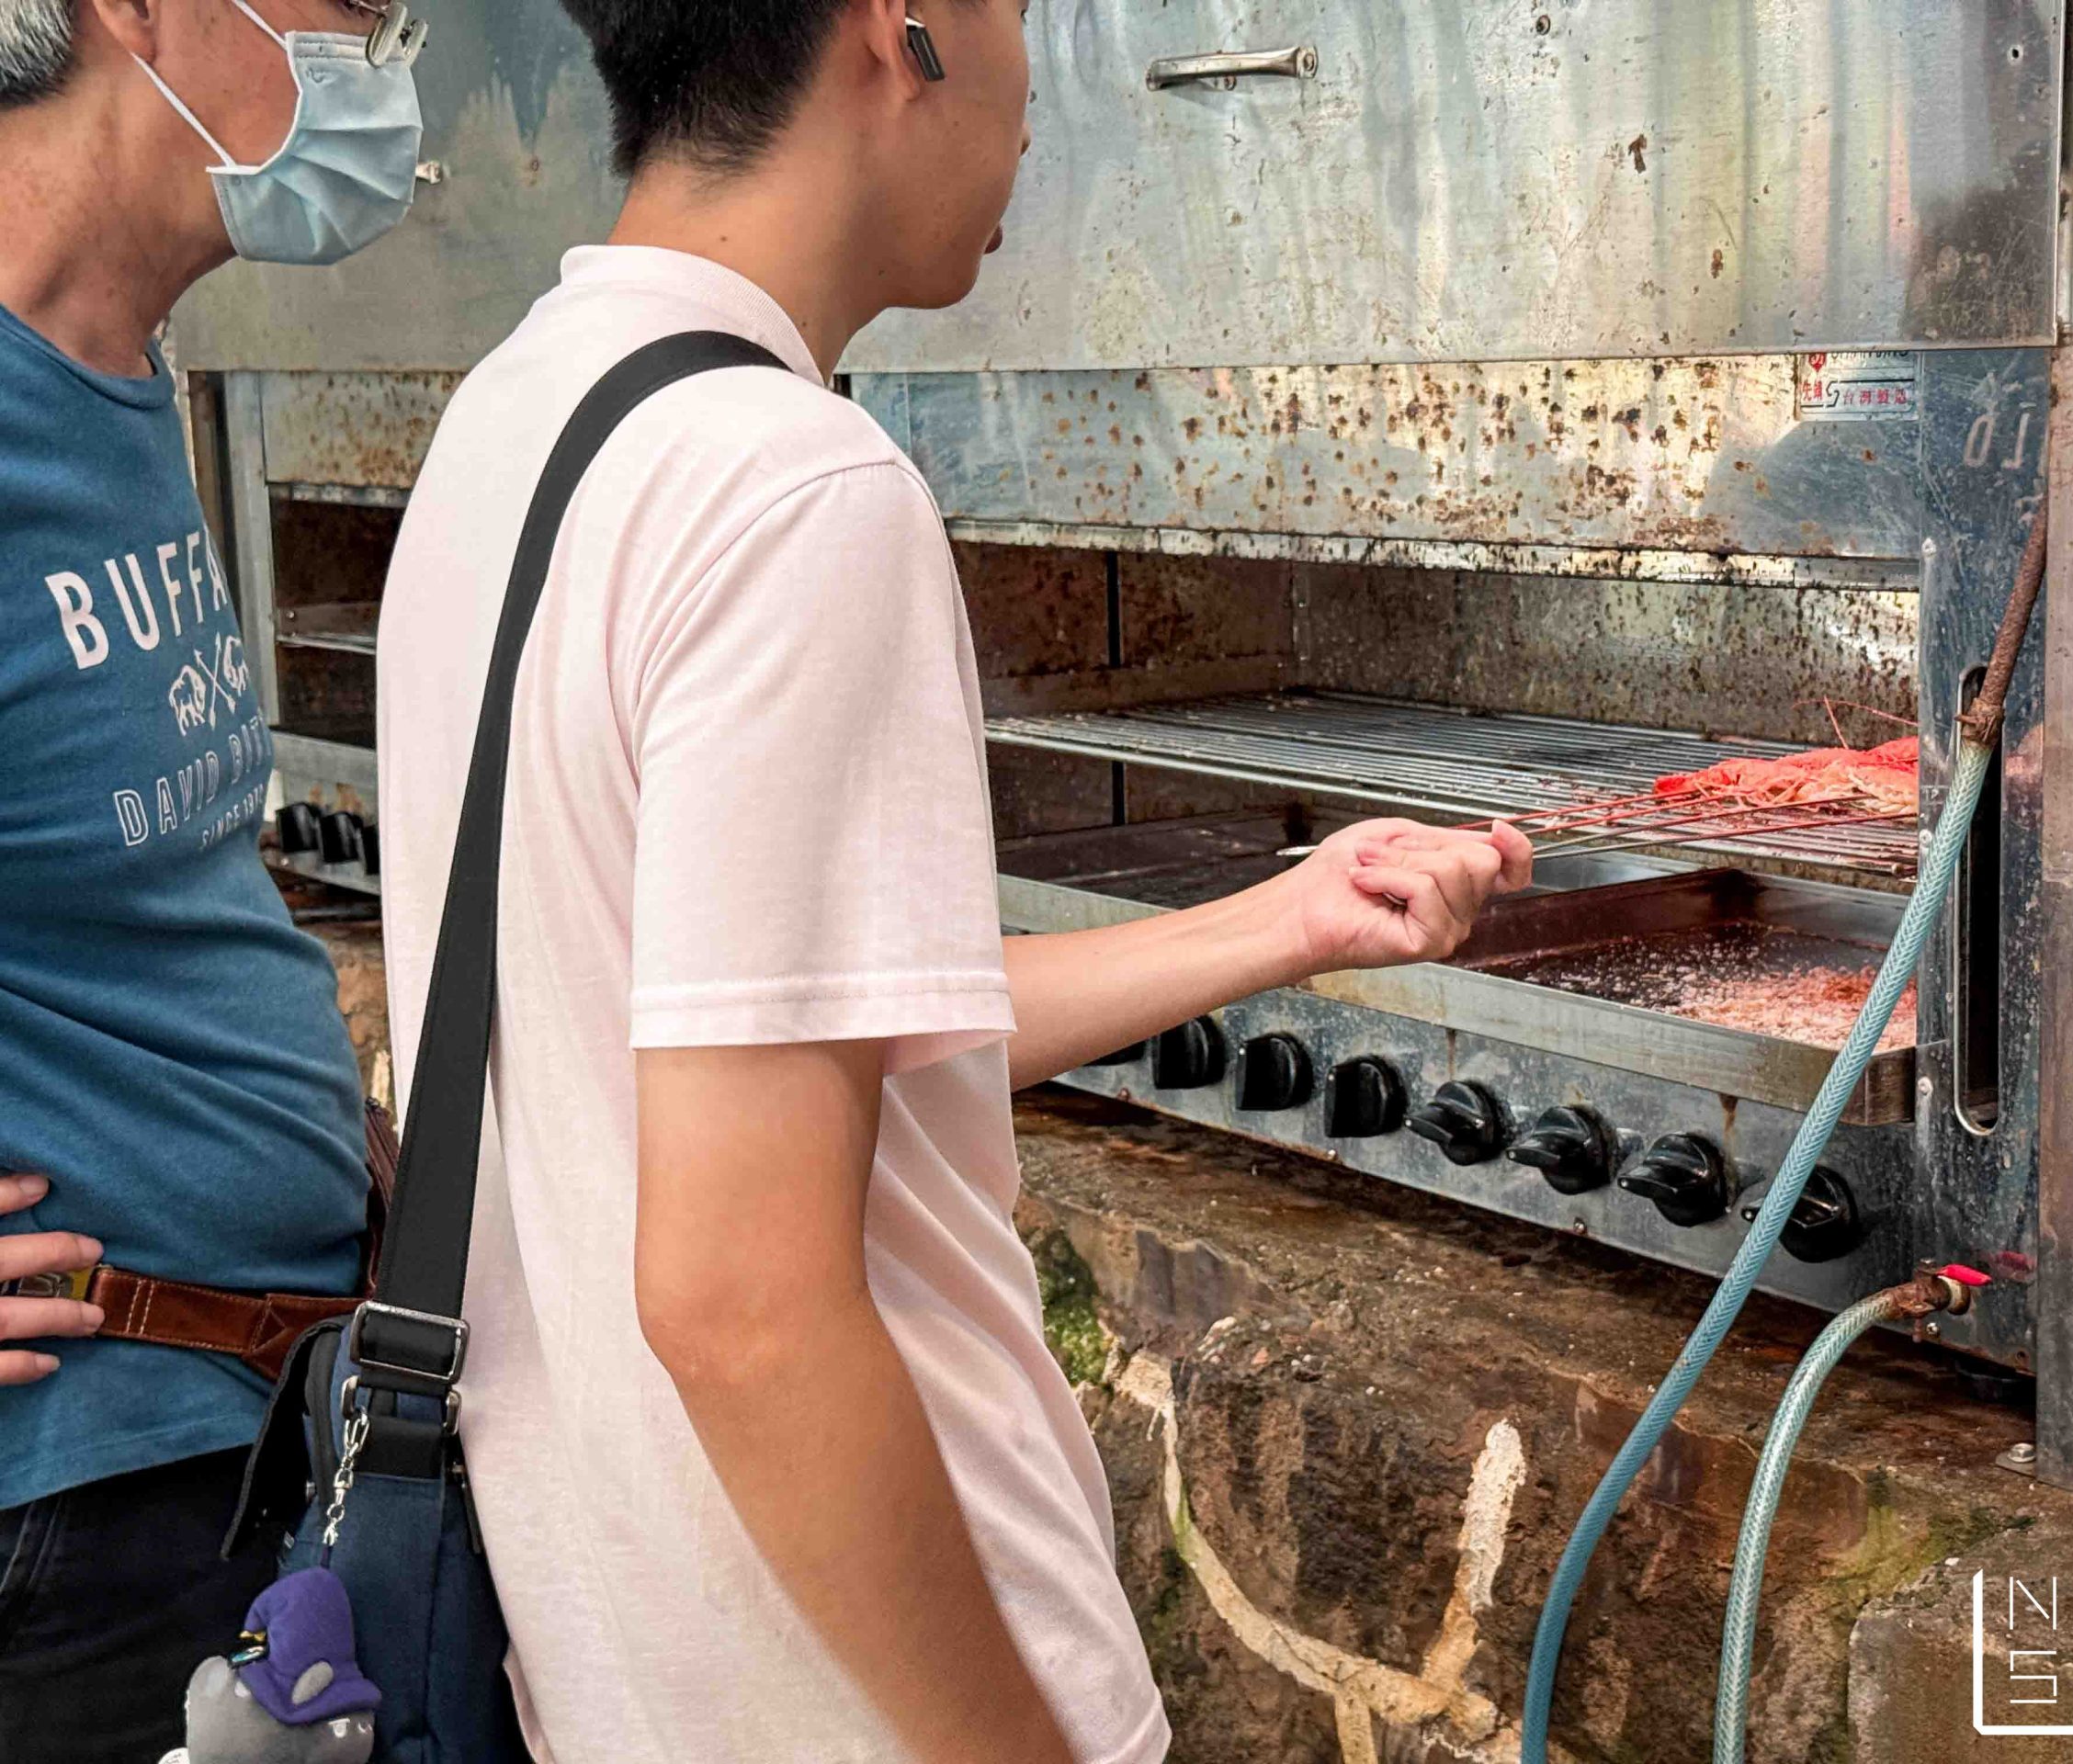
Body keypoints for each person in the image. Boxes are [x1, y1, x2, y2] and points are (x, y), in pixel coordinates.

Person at [373, 1, 1535, 1759]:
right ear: (897, 29)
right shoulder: (793, 487)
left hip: (632, 1688)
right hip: (862, 1700)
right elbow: (741, 1307)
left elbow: (769, 1053)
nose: (1037, 82)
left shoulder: (512, 428)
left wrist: (1280, 920)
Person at [0, 1, 425, 1755]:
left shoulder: (115, 366)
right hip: (86, 1508)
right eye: (353, 8)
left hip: (258, 1426)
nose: (389, 69)